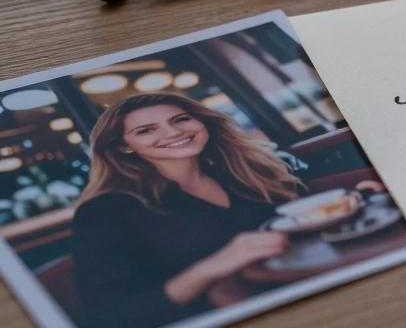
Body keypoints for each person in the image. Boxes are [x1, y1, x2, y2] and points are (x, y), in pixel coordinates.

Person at [72, 93, 302, 328]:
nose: (173, 133)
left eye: (181, 119)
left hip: (297, 288)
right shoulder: (104, 212)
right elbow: (110, 317)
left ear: (202, 123)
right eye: (146, 130)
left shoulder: (245, 175)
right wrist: (214, 265)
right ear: (124, 146)